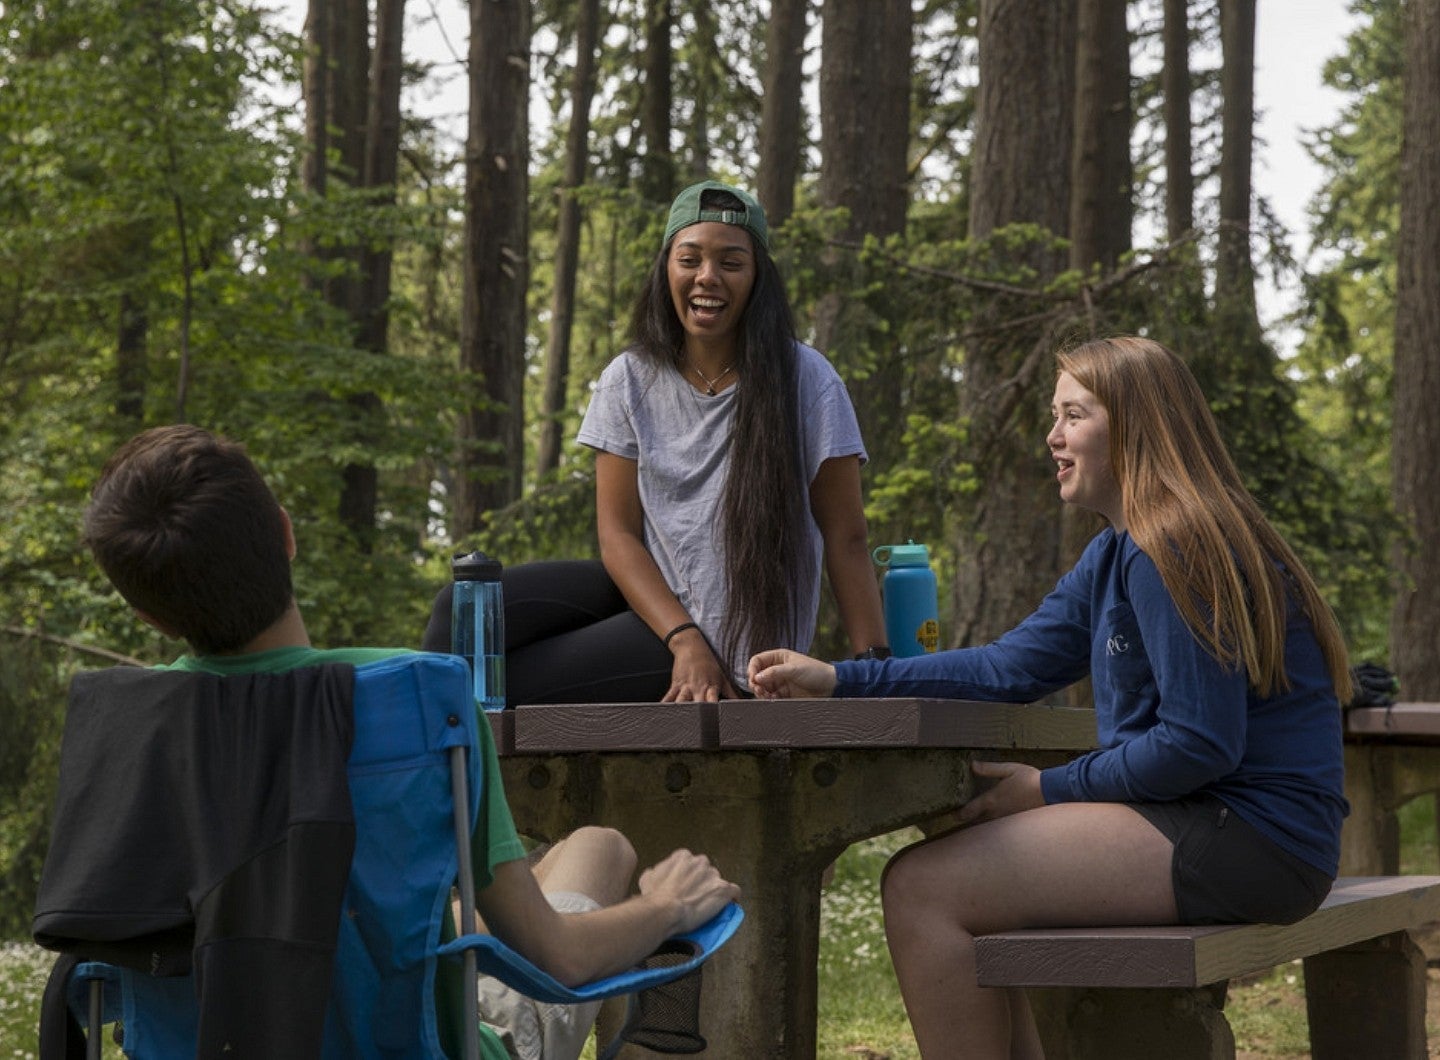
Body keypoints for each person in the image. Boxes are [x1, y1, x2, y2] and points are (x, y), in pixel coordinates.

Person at [747, 336, 1352, 1059]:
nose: (1052, 436)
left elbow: (1199, 743)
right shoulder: (1118, 552)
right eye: (1054, 415)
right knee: (960, 861)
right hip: (1226, 826)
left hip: (1254, 837)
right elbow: (1009, 667)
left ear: (1133, 428)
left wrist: (1049, 789)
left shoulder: (1175, 545)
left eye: (1073, 415)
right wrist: (843, 678)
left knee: (923, 890)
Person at [82, 424, 740, 1060]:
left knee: (455, 905)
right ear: (285, 534)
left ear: (152, 617)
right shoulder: (420, 697)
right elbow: (559, 959)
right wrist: (666, 906)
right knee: (599, 847)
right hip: (437, 1045)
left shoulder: (134, 732)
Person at [422, 179, 888, 703]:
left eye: (731, 262)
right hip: (658, 610)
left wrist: (874, 670)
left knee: (497, 683)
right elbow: (617, 534)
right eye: (690, 259)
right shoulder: (630, 379)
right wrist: (682, 637)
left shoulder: (807, 379)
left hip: (732, 649)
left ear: (758, 279)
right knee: (462, 611)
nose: (707, 276)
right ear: (667, 268)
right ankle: (446, 779)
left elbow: (846, 535)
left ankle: (463, 773)